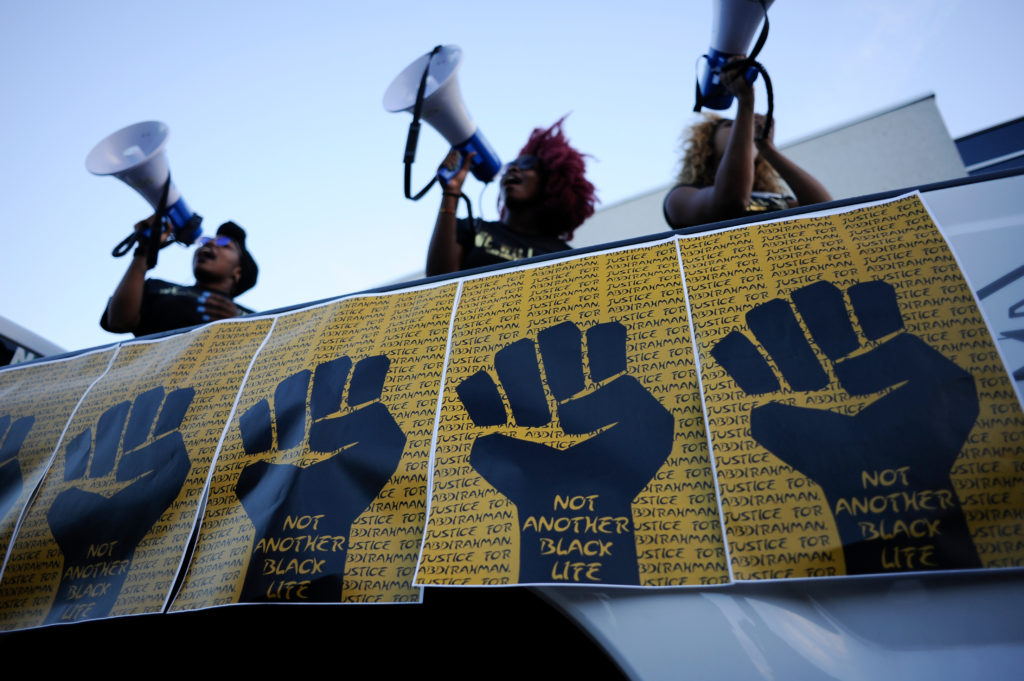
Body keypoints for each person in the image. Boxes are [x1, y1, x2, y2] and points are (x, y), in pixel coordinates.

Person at [663, 62, 832, 229]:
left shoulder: (774, 197)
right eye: (731, 125)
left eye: (746, 126)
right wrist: (745, 102)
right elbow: (730, 202)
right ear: (707, 144)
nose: (744, 130)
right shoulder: (680, 196)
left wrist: (768, 149)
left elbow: (827, 212)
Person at [426, 118, 597, 275]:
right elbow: (439, 282)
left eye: (526, 164)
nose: (513, 169)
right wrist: (451, 192)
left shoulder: (565, 257)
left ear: (551, 182)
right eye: (510, 166)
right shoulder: (472, 228)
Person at [101, 216, 258, 336]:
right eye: (206, 240)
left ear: (238, 272)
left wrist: (240, 329)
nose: (210, 244)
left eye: (224, 244)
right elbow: (119, 321)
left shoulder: (255, 320)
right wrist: (143, 252)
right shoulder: (155, 287)